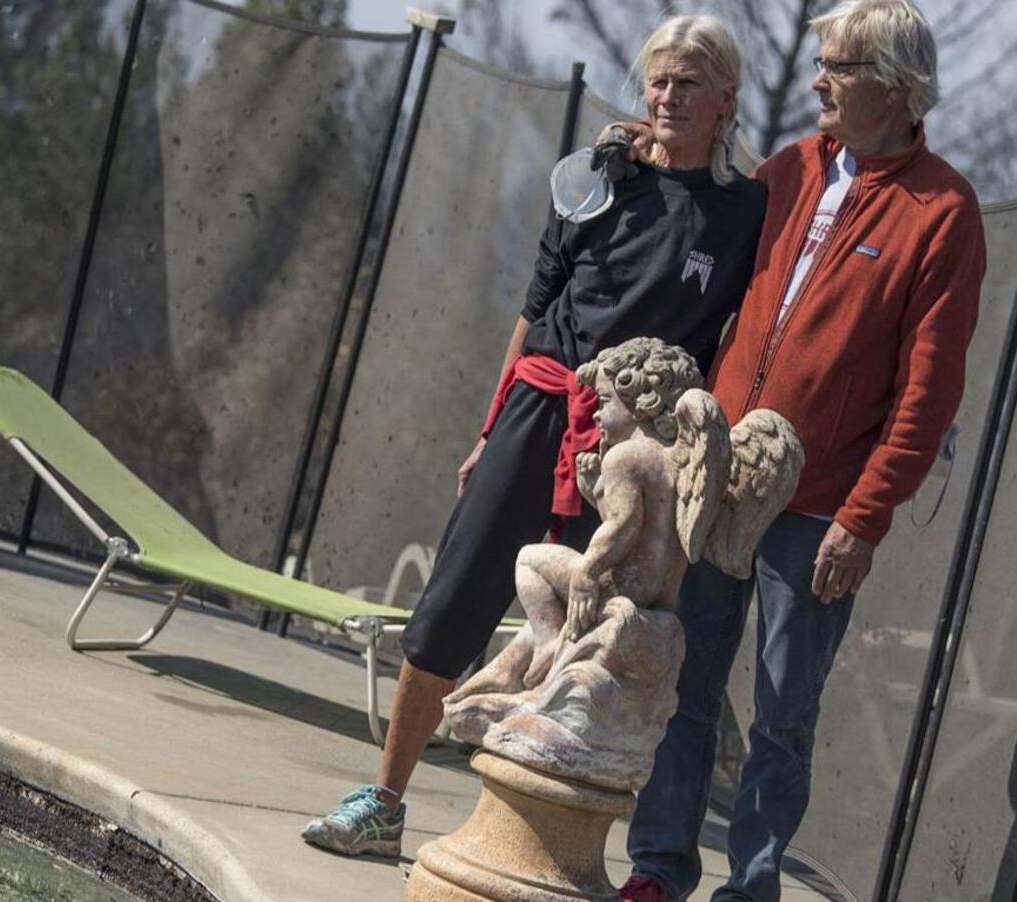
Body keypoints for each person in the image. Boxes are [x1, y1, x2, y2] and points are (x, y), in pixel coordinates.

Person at [301, 15, 769, 860]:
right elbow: (537, 296)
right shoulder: (598, 175)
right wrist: (490, 430)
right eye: (658, 80)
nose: (667, 96)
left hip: (632, 452)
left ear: (725, 99)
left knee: (585, 632)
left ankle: (528, 841)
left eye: (688, 83)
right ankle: (384, 799)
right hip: (537, 409)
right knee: (457, 595)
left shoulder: (746, 213)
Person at [615, 2, 988, 900]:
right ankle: (658, 871)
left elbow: (927, 393)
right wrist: (648, 151)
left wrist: (863, 518)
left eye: (840, 66)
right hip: (720, 478)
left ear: (896, 87)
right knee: (684, 681)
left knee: (784, 715)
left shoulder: (944, 212)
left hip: (820, 509)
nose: (819, 80)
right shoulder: (789, 168)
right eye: (820, 62)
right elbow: (703, 217)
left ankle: (751, 886)